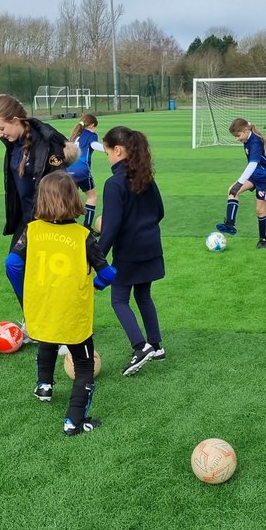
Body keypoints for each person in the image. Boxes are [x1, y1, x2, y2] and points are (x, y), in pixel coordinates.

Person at [19, 173, 115, 435]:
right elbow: (108, 274)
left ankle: (44, 386)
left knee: (48, 339)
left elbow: (12, 264)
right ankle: (74, 421)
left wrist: (24, 294)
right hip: (73, 314)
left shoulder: (32, 230)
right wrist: (97, 285)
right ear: (74, 199)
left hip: (42, 307)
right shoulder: (82, 236)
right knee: (84, 367)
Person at [0, 94, 75, 308]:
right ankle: (34, 319)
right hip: (26, 220)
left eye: (1, 128)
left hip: (49, 221)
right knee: (14, 266)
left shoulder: (47, 142)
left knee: (48, 276)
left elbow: (61, 187)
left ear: (16, 120)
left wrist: (52, 224)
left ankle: (59, 328)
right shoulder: (13, 142)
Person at [97, 126, 167, 375]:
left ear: (117, 150)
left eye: (107, 154)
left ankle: (140, 347)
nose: (108, 159)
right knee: (143, 295)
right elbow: (159, 212)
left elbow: (111, 227)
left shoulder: (114, 183)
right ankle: (156, 345)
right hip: (151, 247)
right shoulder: (146, 176)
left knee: (118, 300)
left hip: (129, 252)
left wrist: (96, 258)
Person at [215, 118, 266, 248]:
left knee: (259, 210)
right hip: (255, 173)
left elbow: (253, 164)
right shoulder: (247, 136)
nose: (237, 139)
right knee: (232, 190)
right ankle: (230, 225)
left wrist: (239, 182)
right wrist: (237, 184)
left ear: (246, 130)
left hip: (265, 176)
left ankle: (263, 239)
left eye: (238, 136)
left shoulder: (255, 141)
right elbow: (252, 165)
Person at [66, 113, 104, 229]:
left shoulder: (75, 134)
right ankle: (87, 227)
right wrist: (107, 149)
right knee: (92, 196)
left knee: (71, 197)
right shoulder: (91, 134)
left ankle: (67, 225)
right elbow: (94, 145)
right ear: (92, 125)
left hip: (67, 169)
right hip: (81, 170)